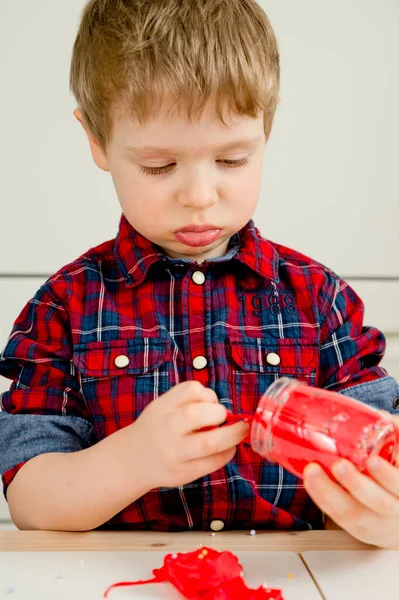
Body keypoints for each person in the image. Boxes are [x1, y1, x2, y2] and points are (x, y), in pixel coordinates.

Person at [1, 0, 399, 547]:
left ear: (267, 130)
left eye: (232, 159)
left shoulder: (320, 299)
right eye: (159, 166)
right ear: (96, 140)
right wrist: (132, 461)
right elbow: (29, 500)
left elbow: (383, 449)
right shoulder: (66, 306)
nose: (199, 196)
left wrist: (380, 513)